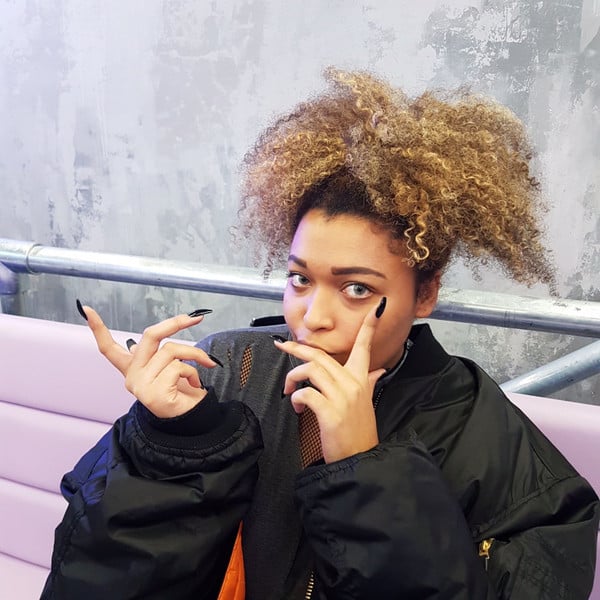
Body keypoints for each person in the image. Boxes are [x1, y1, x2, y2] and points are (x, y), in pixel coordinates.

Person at [42, 69, 598, 599]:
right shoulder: (225, 371)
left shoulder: (491, 444)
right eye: (300, 279)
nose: (313, 317)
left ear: (425, 293)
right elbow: (91, 581)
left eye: (356, 288)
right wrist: (171, 447)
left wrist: (368, 478)